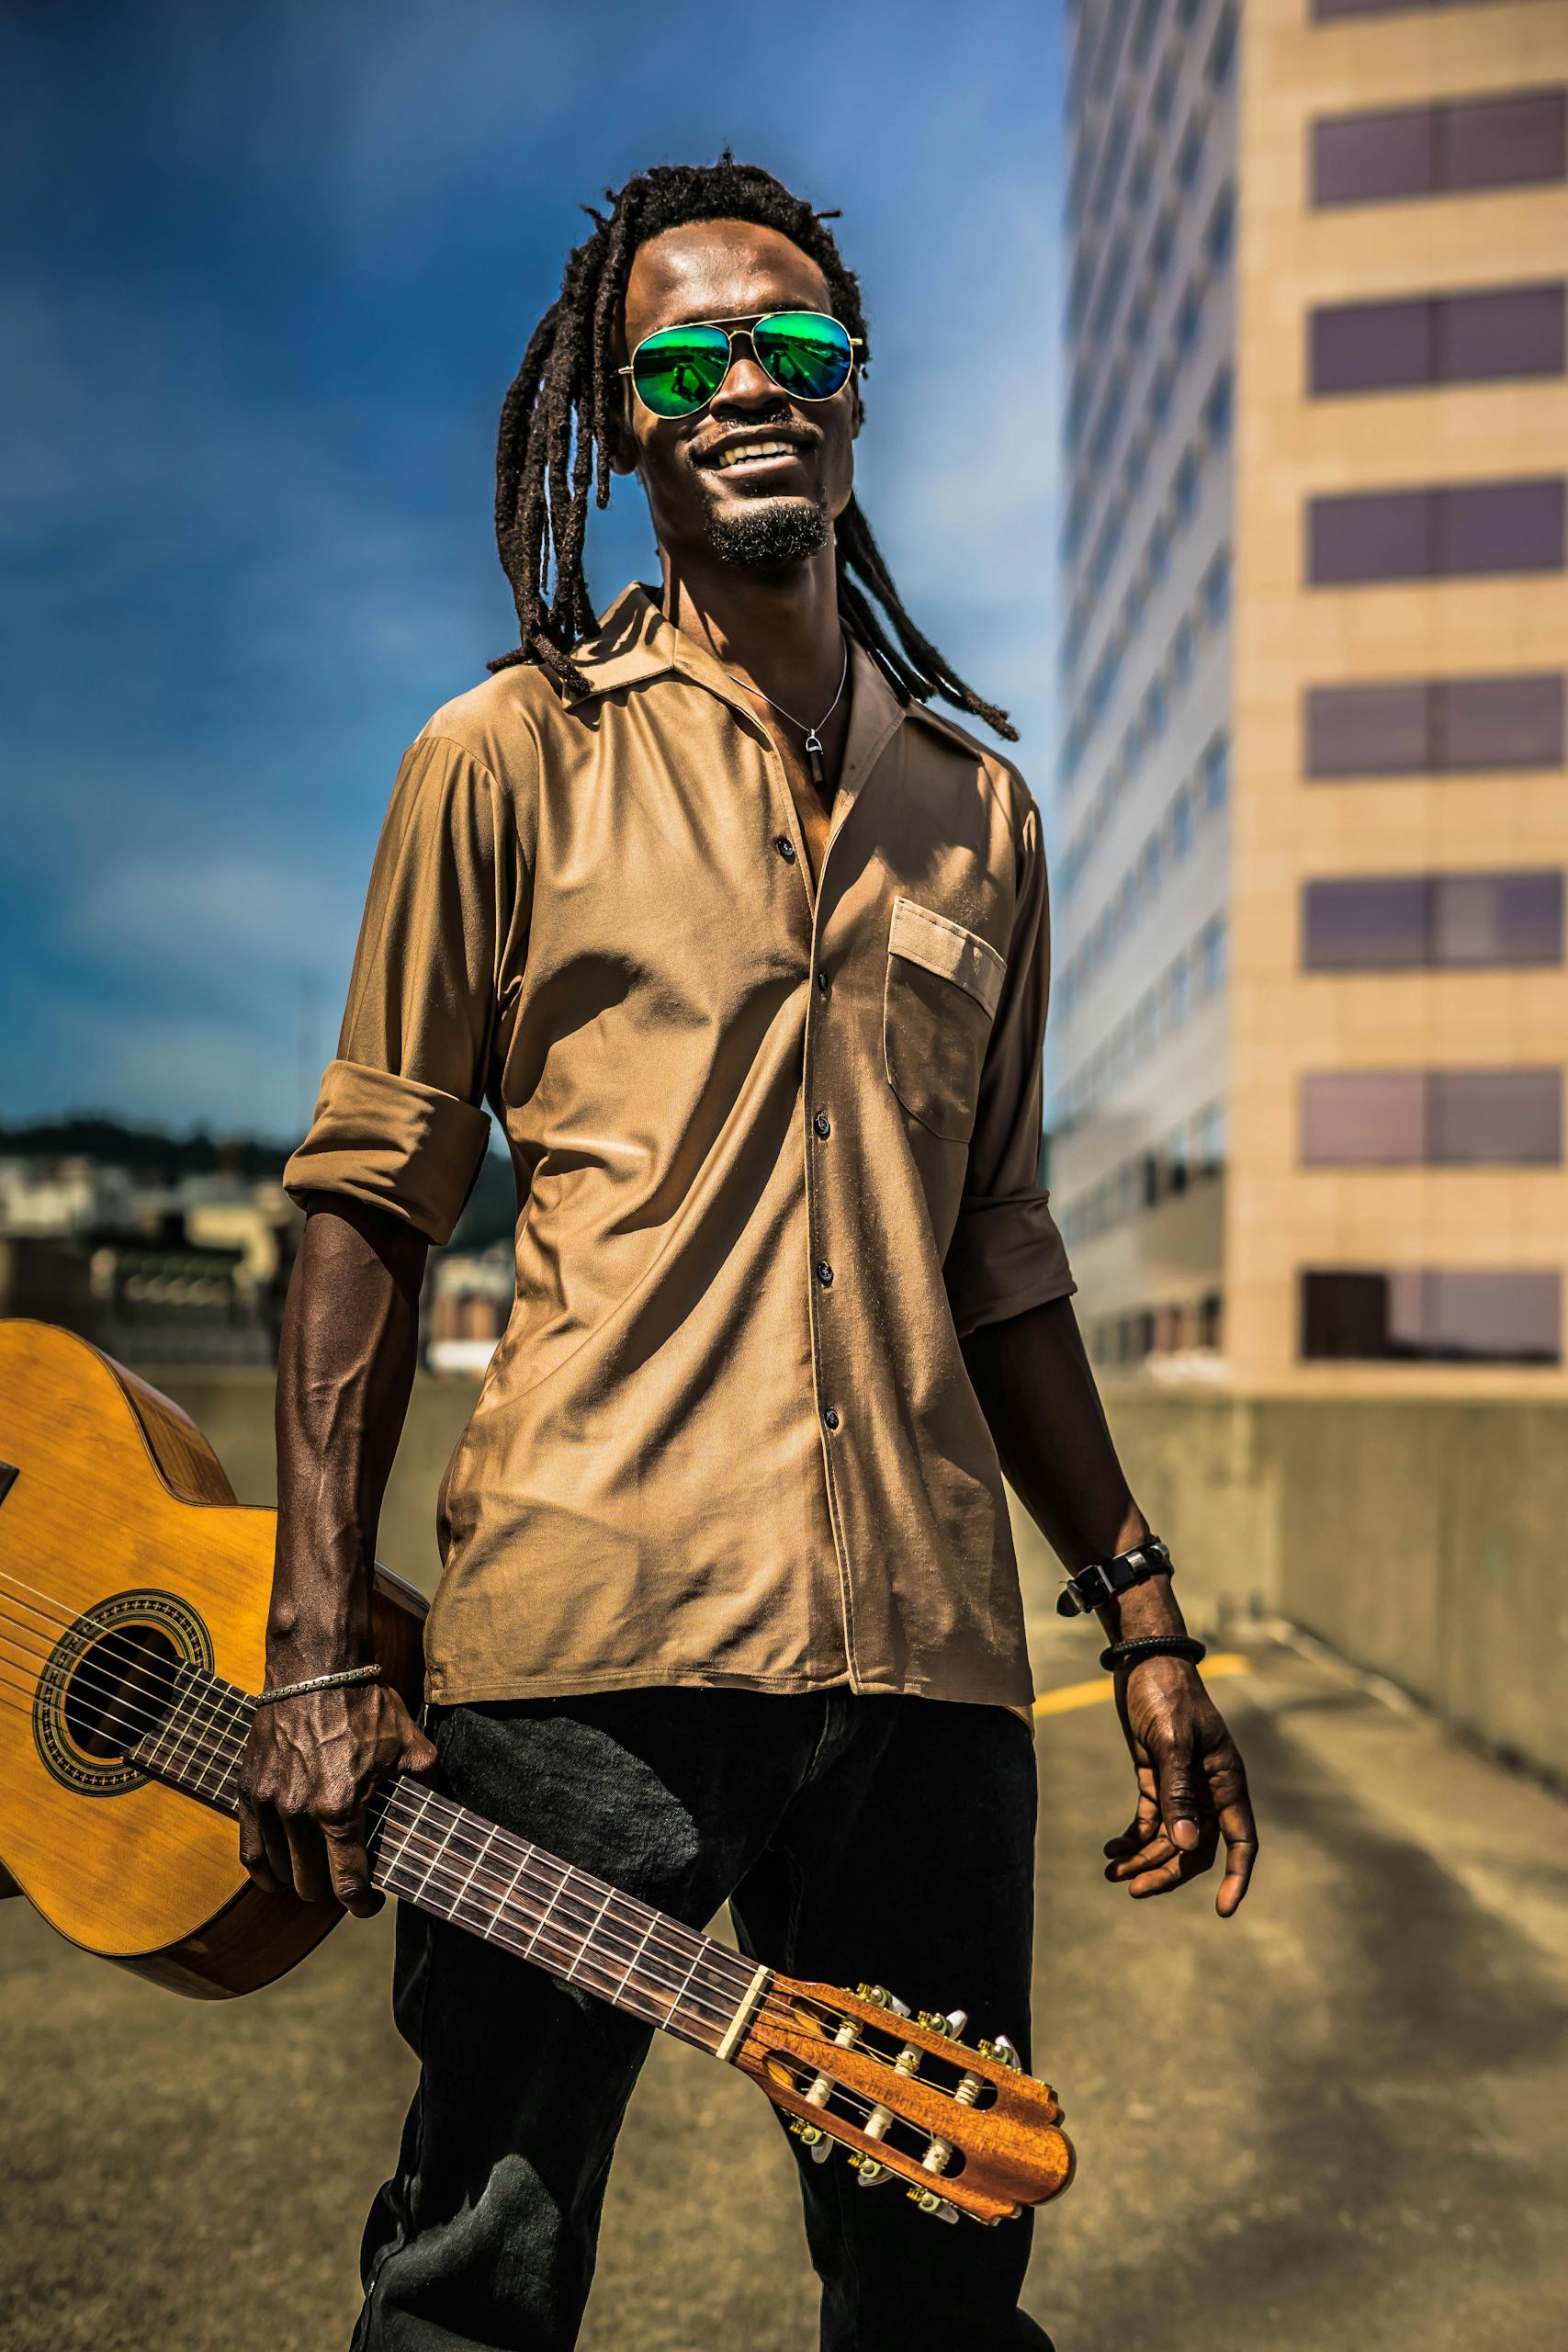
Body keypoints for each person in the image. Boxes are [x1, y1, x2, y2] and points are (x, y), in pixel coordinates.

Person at [236, 155, 1257, 2352]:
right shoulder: (504, 758)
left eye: (793, 344)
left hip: (929, 1685)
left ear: (855, 393)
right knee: (474, 2272)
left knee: (941, 2281)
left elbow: (1001, 1249)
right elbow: (364, 1200)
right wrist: (316, 1636)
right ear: (622, 420)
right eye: (687, 355)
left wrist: (1143, 1612)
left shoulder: (985, 816)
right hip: (586, 1660)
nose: (747, 385)